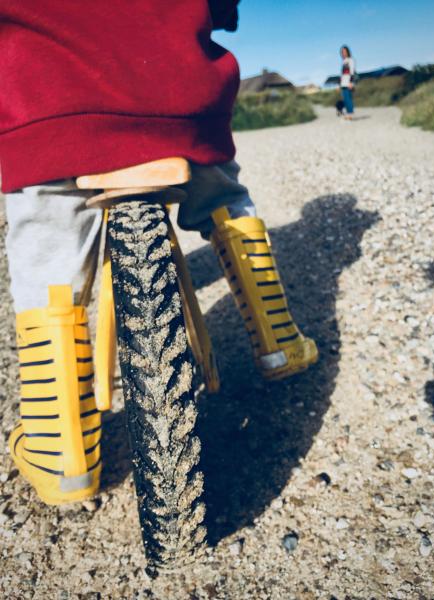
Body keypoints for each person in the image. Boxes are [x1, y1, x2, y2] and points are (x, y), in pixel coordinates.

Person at [0, 1, 318, 505]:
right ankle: (278, 338)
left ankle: (59, 449)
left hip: (53, 106)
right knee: (224, 195)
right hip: (177, 102)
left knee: (46, 246)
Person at [340, 45, 356, 119]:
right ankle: (348, 114)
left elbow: (352, 72)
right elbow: (342, 74)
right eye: (342, 52)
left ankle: (351, 114)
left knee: (348, 99)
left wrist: (351, 82)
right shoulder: (343, 61)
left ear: (348, 52)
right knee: (345, 99)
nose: (343, 53)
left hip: (348, 82)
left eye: (345, 51)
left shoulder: (350, 60)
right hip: (343, 83)